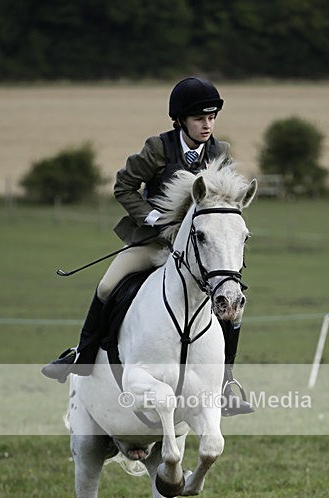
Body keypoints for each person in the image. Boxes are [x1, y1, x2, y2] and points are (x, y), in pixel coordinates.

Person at [42, 77, 253, 415]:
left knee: (233, 303)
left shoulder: (220, 151)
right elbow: (123, 186)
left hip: (199, 249)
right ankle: (81, 357)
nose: (207, 125)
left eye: (212, 118)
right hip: (153, 242)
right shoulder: (158, 149)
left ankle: (226, 381)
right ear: (181, 120)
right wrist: (154, 217)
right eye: (200, 118)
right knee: (108, 285)